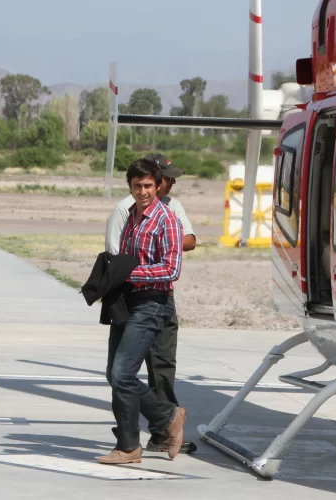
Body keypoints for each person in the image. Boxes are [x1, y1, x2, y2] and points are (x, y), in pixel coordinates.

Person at [105, 152, 196, 454]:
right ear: (129, 187)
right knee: (115, 375)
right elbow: (122, 256)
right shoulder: (130, 215)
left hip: (152, 303)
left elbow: (171, 269)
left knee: (124, 373)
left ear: (158, 186)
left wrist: (132, 273)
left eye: (147, 186)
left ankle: (167, 418)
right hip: (126, 302)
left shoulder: (166, 220)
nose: (142, 192)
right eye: (136, 186)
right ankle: (131, 445)